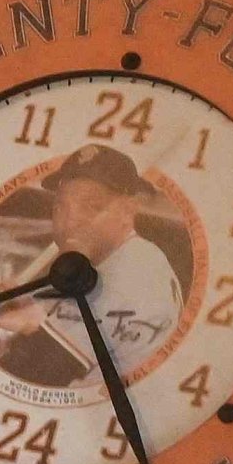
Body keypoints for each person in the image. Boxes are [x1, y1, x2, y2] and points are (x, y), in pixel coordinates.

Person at [42, 144, 186, 375]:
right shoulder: (92, 263)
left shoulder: (139, 266)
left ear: (127, 212)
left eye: (91, 207)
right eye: (60, 208)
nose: (70, 221)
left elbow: (43, 369)